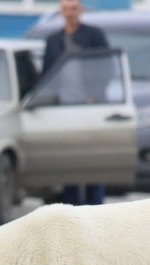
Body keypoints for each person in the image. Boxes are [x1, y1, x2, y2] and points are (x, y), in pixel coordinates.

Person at [43, 0, 109, 206]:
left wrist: (94, 94)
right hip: (64, 109)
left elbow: (106, 67)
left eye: (73, 9)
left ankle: (95, 206)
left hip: (91, 107)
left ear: (80, 11)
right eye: (65, 9)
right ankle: (70, 207)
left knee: (94, 159)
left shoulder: (94, 35)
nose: (70, 13)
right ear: (61, 12)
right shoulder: (54, 40)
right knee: (68, 161)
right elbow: (47, 75)